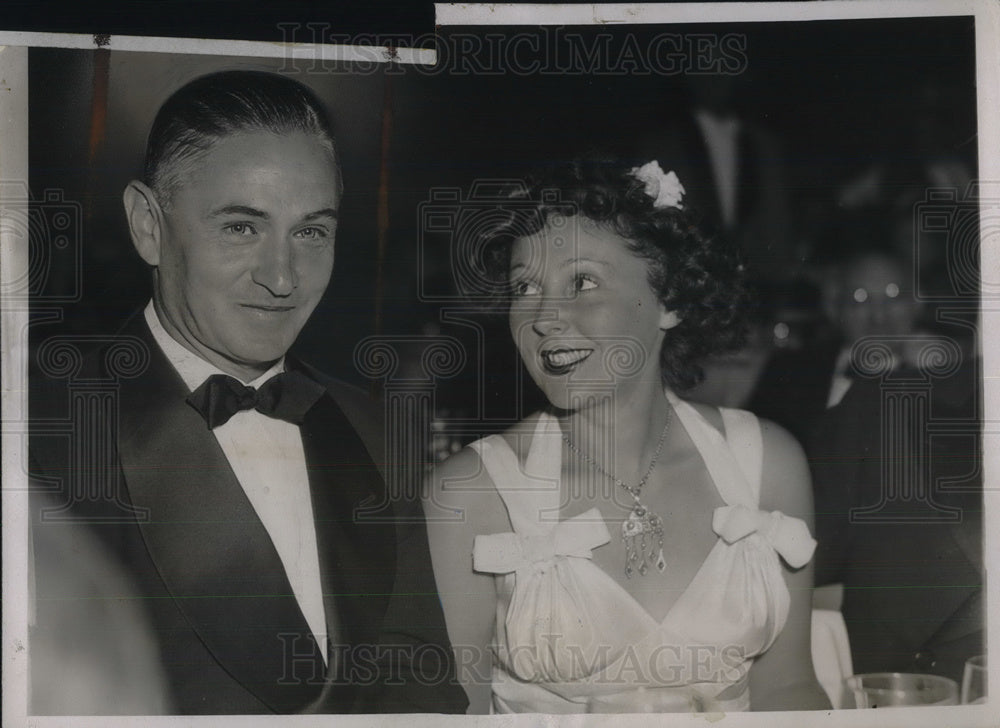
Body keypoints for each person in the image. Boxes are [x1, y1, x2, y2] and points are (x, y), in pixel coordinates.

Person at [28, 70, 467, 715]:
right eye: (241, 227)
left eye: (311, 231)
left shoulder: (372, 427)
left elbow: (420, 685)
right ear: (148, 225)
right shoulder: (42, 434)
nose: (282, 277)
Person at [424, 158, 829, 713]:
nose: (543, 317)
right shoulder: (469, 492)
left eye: (582, 282)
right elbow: (455, 716)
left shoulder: (768, 465)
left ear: (670, 302)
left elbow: (789, 690)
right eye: (525, 287)